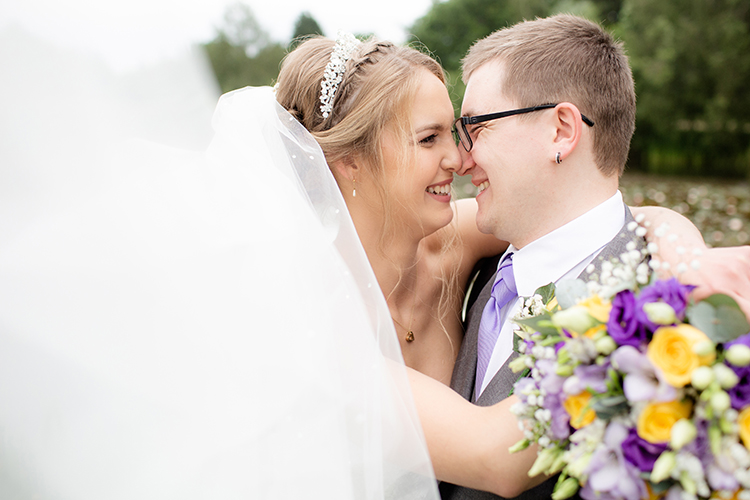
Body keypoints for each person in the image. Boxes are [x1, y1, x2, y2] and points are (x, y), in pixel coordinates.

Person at [439, 14, 750, 500]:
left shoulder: (673, 309)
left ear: (562, 129)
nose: (461, 159)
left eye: (475, 128)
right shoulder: (478, 259)